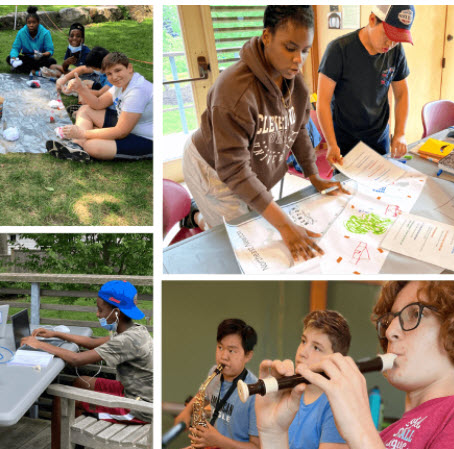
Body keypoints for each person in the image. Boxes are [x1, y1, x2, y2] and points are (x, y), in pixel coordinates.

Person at [256, 281, 454, 449]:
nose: (390, 331)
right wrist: (273, 433)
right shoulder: (384, 437)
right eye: (389, 321)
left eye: (415, 314)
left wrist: (359, 428)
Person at [181, 6, 347, 267]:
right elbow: (234, 171)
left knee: (254, 225)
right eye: (290, 48)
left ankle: (202, 211)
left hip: (246, 168)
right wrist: (285, 226)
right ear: (267, 36)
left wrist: (314, 176)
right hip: (213, 169)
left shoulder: (293, 78)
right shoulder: (233, 92)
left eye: (304, 50)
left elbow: (298, 129)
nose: (298, 60)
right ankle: (197, 215)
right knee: (238, 244)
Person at [23, 280, 153, 449]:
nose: (98, 314)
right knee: (80, 383)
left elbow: (76, 359)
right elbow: (93, 342)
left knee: (62, 397)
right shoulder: (134, 331)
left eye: (101, 310)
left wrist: (40, 345)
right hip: (134, 393)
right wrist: (55, 334)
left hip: (139, 409)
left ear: (116, 312)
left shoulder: (127, 339)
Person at [199, 310, 351, 449]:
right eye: (303, 341)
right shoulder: (290, 390)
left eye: (316, 347)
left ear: (335, 359)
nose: (303, 352)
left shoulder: (336, 407)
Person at [317, 5, 414, 164]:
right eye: (387, 34)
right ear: (371, 20)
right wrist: (332, 144)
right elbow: (323, 102)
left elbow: (402, 94)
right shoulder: (338, 50)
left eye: (397, 39)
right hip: (345, 142)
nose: (390, 43)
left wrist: (400, 133)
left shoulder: (396, 51)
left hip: (380, 139)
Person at [162, 319, 261, 449]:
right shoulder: (215, 372)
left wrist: (216, 439)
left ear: (248, 355)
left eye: (232, 351)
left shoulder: (255, 391)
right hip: (211, 447)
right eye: (220, 347)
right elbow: (202, 396)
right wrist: (187, 412)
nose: (223, 356)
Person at [46, 52, 152, 162]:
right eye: (109, 74)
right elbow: (98, 103)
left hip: (145, 138)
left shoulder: (137, 92)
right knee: (85, 110)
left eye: (118, 70)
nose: (114, 77)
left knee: (92, 145)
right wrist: (81, 88)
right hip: (128, 125)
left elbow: (121, 132)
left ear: (129, 68)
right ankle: (76, 145)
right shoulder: (122, 83)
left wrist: (83, 133)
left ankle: (82, 141)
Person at [7, 6, 56, 74]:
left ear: (38, 23)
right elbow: (15, 48)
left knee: (52, 61)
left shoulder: (45, 33)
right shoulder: (21, 33)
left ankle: (25, 69)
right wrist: (14, 58)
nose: (31, 25)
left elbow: (50, 50)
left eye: (34, 22)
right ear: (26, 23)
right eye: (29, 23)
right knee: (9, 58)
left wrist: (42, 54)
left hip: (40, 59)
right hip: (27, 58)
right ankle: (37, 71)